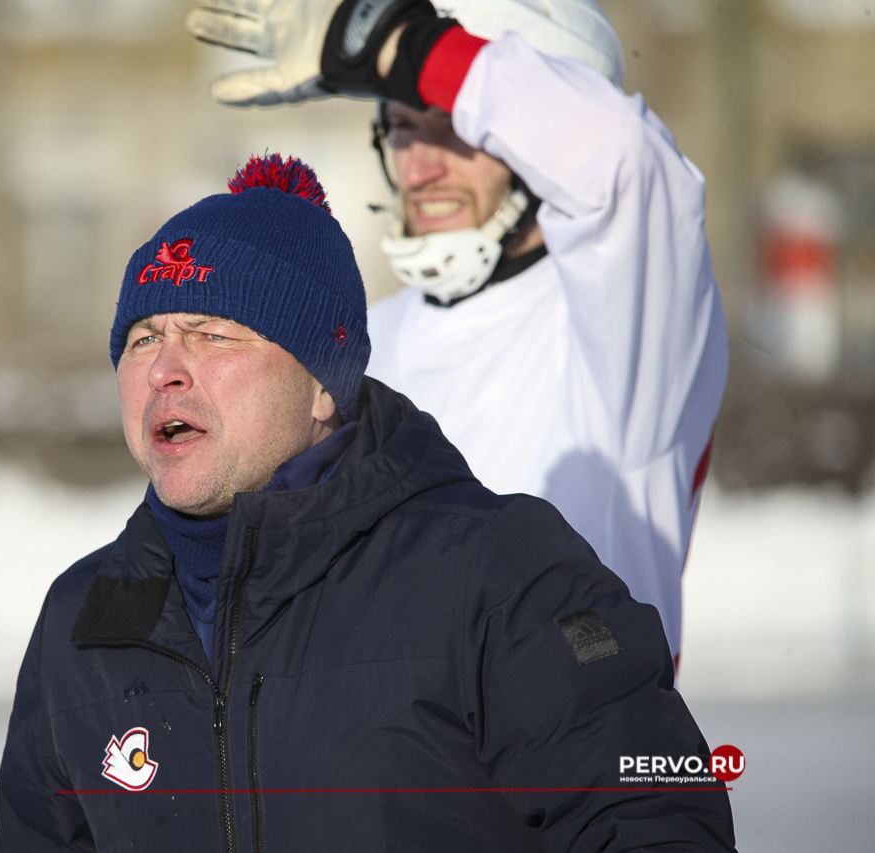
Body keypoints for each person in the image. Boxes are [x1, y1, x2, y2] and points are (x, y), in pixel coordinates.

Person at [0, 154, 735, 852]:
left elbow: (657, 819)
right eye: (143, 338)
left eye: (213, 333)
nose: (165, 370)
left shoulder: (495, 571)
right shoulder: (83, 622)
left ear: (323, 384)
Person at [185, 0, 729, 663]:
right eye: (403, 128)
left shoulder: (629, 322)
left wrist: (391, 44)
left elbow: (623, 164)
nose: (420, 168)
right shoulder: (362, 343)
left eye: (458, 128)